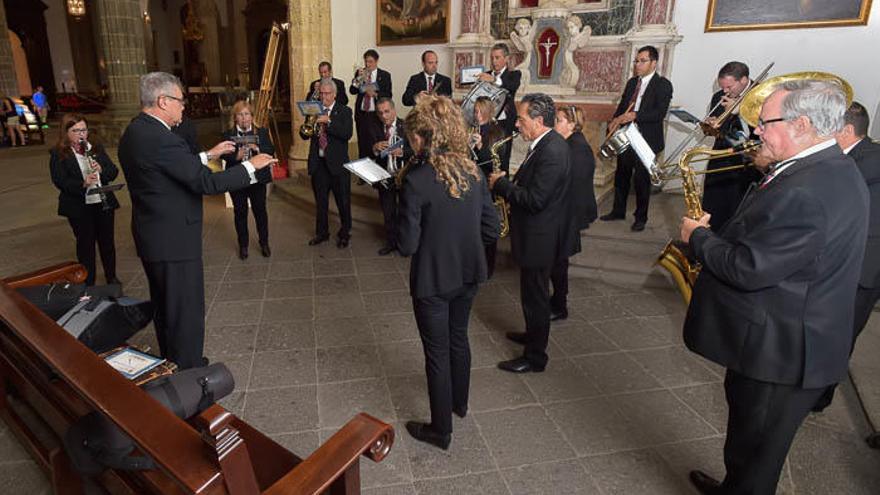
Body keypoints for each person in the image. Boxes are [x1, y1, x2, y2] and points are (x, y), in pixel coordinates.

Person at [680, 79, 869, 495]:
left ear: (801, 124)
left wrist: (698, 238)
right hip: (785, 340)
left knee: (757, 460)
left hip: (782, 352)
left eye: (765, 122)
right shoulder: (827, 168)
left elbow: (749, 268)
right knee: (748, 447)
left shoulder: (807, 189)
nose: (757, 131)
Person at [118, 72, 276, 369]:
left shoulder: (136, 132)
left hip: (153, 235)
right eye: (180, 101)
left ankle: (172, 360)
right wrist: (250, 168)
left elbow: (173, 168)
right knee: (185, 312)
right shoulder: (162, 138)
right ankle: (189, 371)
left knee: (166, 308)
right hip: (174, 240)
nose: (183, 108)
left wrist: (208, 154)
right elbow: (206, 184)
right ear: (163, 101)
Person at [398, 95, 499, 450]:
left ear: (424, 138)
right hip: (470, 274)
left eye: (413, 138)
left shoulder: (417, 180)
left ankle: (440, 431)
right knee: (459, 338)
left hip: (433, 280)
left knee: (437, 353)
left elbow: (407, 245)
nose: (411, 143)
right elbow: (491, 229)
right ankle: (459, 404)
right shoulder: (473, 170)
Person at [488, 93, 573, 373]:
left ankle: (535, 357)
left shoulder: (552, 150)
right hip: (536, 235)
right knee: (531, 297)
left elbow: (536, 200)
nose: (516, 124)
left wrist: (501, 186)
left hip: (540, 239)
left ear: (537, 120)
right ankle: (532, 335)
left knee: (536, 299)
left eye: (521, 119)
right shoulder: (545, 144)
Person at [813, 101, 880, 412]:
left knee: (842, 334)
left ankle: (819, 396)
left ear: (847, 131)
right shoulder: (850, 155)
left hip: (863, 268)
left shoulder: (872, 158)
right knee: (826, 329)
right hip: (841, 259)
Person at [599, 45, 673, 232]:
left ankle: (640, 217)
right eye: (636, 61)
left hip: (646, 139)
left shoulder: (663, 84)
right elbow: (624, 104)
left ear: (654, 63)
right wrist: (615, 120)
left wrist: (635, 115)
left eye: (642, 61)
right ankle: (618, 210)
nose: (638, 65)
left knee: (641, 180)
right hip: (626, 136)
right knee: (621, 174)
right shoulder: (633, 83)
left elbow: (659, 113)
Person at [49, 114, 120, 287]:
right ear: (66, 132)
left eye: (84, 130)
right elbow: (60, 181)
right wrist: (83, 183)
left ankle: (112, 277)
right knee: (86, 246)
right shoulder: (59, 154)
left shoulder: (95, 148)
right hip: (79, 207)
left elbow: (113, 171)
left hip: (103, 203)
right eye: (75, 130)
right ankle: (89, 282)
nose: (81, 134)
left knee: (107, 243)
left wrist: (101, 169)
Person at [701, 61, 760, 232]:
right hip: (720, 156)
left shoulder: (761, 94)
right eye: (722, 86)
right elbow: (717, 130)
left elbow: (758, 132)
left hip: (745, 161)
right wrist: (711, 125)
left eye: (729, 86)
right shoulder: (718, 96)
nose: (725, 91)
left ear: (743, 80)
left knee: (736, 206)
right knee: (712, 203)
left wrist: (740, 111)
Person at [548, 105, 594, 321]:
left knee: (558, 261)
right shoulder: (569, 144)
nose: (555, 123)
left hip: (568, 213)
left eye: (558, 120)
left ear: (572, 124)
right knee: (557, 260)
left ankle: (559, 306)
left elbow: (573, 184)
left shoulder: (578, 148)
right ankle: (557, 301)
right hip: (564, 212)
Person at [301, 78, 354, 248]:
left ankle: (345, 233)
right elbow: (304, 133)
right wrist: (309, 125)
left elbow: (347, 133)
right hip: (319, 163)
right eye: (322, 93)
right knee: (321, 202)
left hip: (338, 164)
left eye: (327, 93)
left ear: (335, 94)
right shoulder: (314, 109)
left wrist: (328, 121)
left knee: (343, 202)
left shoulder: (344, 111)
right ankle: (322, 233)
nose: (324, 96)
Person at [221, 100, 275, 260]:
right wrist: (235, 156)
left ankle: (264, 243)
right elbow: (223, 153)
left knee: (260, 212)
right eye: (240, 115)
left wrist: (257, 149)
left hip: (257, 179)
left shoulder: (262, 132)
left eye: (247, 114)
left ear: (252, 116)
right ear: (235, 118)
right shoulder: (227, 134)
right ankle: (243, 246)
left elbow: (270, 150)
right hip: (237, 180)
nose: (244, 118)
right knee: (240, 213)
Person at [470, 96, 508, 279]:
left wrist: (479, 146)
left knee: (487, 226)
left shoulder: (497, 132)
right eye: (474, 111)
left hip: (489, 183)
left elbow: (495, 161)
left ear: (488, 111)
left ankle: (488, 267)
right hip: (473, 182)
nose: (476, 115)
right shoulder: (472, 129)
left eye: (479, 111)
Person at [368, 97, 411, 255]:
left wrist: (402, 152)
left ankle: (406, 242)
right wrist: (374, 148)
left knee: (406, 211)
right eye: (380, 113)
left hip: (403, 175)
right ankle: (391, 242)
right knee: (388, 212)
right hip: (384, 176)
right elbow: (367, 152)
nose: (384, 116)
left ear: (394, 110)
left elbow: (416, 151)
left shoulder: (406, 126)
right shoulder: (373, 128)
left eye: (387, 112)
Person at [350, 49, 392, 158]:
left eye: (370, 62)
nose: (368, 65)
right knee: (363, 144)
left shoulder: (385, 75)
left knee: (377, 142)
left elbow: (388, 95)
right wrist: (358, 78)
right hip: (362, 114)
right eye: (366, 62)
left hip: (377, 114)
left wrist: (375, 94)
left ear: (376, 61)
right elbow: (352, 90)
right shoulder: (360, 73)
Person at [477, 43, 522, 135]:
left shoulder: (514, 74)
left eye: (497, 58)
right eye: (492, 58)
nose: (494, 61)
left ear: (506, 59)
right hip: (486, 121)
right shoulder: (485, 74)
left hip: (505, 122)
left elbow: (511, 86)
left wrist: (494, 80)